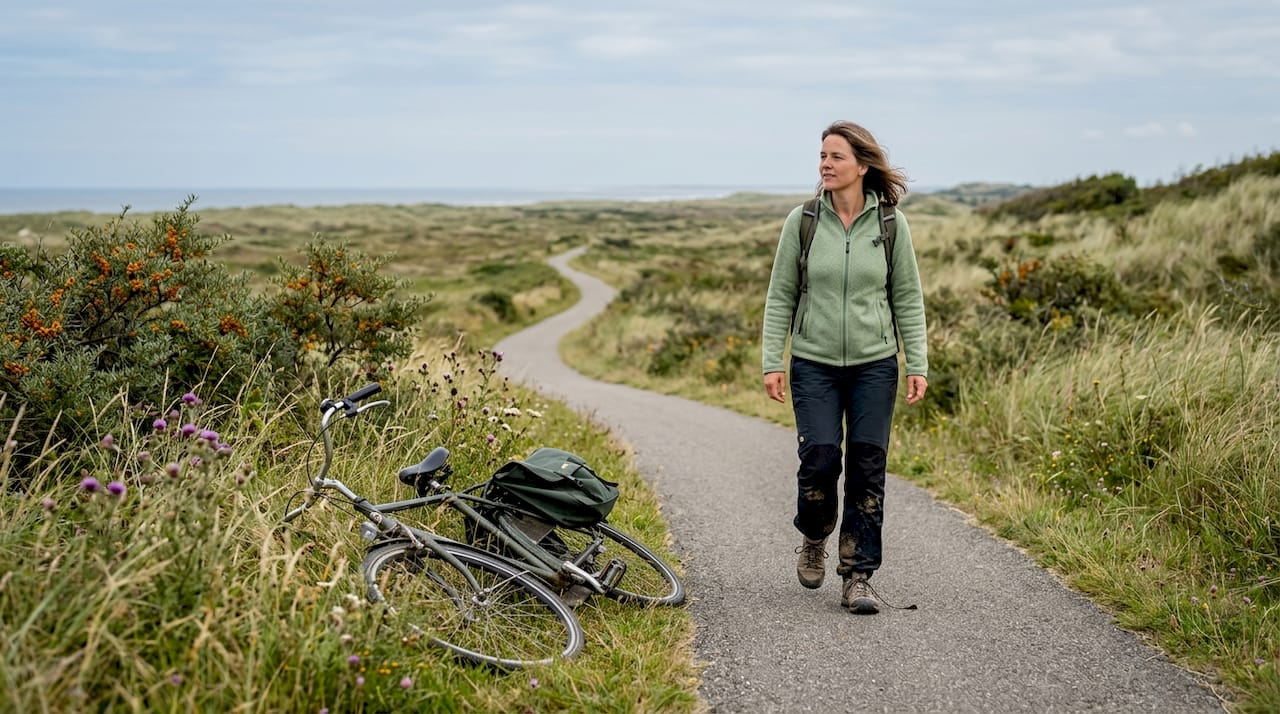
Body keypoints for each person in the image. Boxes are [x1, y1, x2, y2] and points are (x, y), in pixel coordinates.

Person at [760, 120, 929, 614]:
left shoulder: (890, 224)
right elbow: (781, 296)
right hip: (812, 363)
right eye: (822, 156)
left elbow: (907, 299)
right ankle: (814, 534)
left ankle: (858, 575)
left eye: (835, 157)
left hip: (875, 365)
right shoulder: (804, 220)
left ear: (861, 164)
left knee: (867, 468)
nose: (825, 165)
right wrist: (774, 359)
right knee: (820, 458)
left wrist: (915, 361)